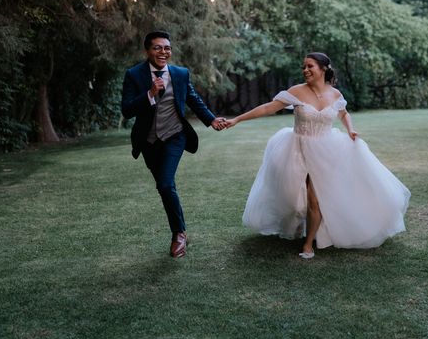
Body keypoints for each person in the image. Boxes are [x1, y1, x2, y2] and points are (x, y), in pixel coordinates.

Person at [225, 53, 410, 259]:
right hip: (296, 148)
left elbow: (343, 113)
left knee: (315, 199)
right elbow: (268, 107)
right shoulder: (296, 91)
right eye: (303, 67)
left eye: (310, 66)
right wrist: (237, 119)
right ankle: (296, 226)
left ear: (323, 69)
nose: (305, 70)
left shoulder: (335, 94)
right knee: (293, 198)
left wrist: (350, 129)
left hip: (326, 151)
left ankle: (308, 243)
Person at [121, 31, 227, 258]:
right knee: (165, 186)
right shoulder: (134, 75)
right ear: (148, 51)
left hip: (174, 136)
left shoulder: (180, 74)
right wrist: (149, 94)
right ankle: (181, 230)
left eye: (167, 48)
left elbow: (193, 98)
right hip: (148, 141)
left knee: (165, 184)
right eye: (158, 48)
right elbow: (127, 109)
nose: (163, 52)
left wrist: (211, 119)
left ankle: (178, 233)